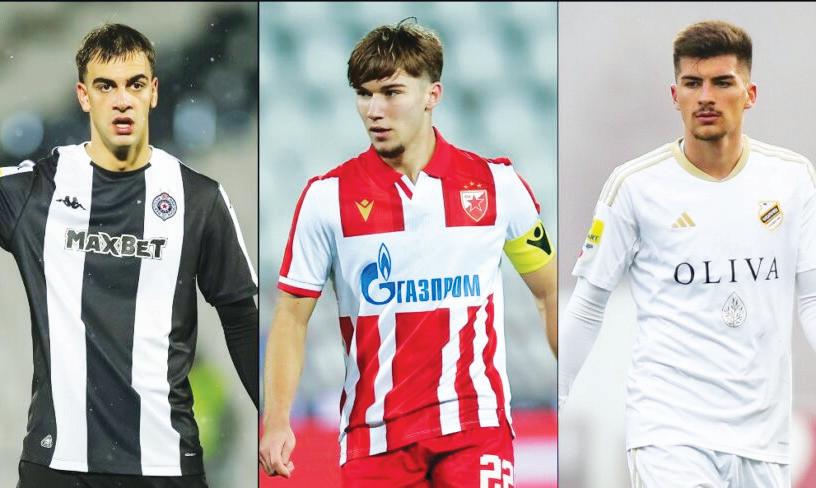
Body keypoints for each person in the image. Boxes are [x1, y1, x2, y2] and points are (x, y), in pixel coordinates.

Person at [259, 18, 557, 486]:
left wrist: (572, 384)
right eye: (364, 94)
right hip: (374, 437)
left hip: (474, 425)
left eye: (391, 92)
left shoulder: (497, 186)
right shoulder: (326, 198)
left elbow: (548, 291)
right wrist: (277, 419)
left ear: (432, 95)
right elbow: (292, 315)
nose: (374, 110)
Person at [559, 20, 816, 487]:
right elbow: (589, 304)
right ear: (674, 94)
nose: (705, 97)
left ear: (750, 94)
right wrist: (558, 394)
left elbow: (812, 298)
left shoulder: (792, 179)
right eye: (693, 83)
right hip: (669, 430)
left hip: (763, 435)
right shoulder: (635, 186)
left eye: (722, 83)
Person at [0, 23, 258, 487]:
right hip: (58, 463)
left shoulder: (198, 199)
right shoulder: (36, 192)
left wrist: (274, 418)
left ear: (153, 92)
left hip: (164, 466)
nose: (122, 100)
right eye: (106, 86)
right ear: (83, 96)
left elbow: (241, 317)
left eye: (135, 84)